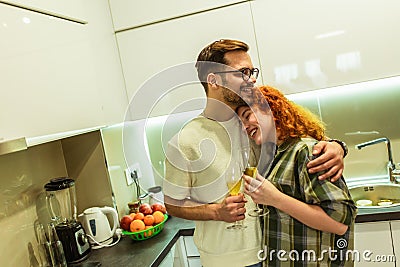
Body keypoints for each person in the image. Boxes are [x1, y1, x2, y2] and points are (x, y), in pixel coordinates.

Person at [163, 39, 347, 267]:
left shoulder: (255, 120)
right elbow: (172, 204)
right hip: (226, 261)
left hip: (275, 251)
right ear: (214, 80)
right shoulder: (184, 141)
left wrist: (336, 146)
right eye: (243, 73)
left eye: (252, 72)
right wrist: (216, 212)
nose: (252, 80)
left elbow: (300, 133)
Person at [237, 85, 357, 266]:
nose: (245, 126)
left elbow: (339, 222)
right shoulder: (275, 155)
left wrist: (275, 199)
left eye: (247, 116)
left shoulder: (306, 151)